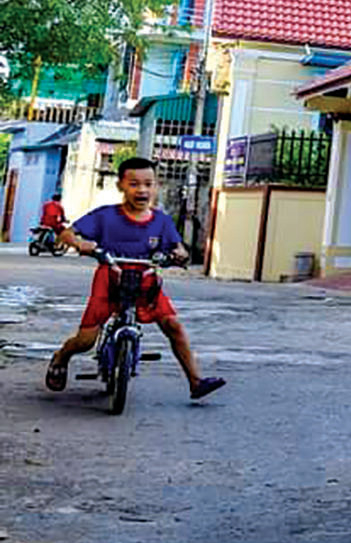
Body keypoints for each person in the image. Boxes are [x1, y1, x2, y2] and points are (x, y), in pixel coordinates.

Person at [45, 158, 226, 400]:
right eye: (134, 184)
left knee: (174, 326)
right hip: (110, 279)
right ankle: (61, 357)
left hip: (146, 280)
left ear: (156, 187)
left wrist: (178, 255)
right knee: (85, 340)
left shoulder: (161, 221)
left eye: (148, 184)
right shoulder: (105, 216)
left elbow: (179, 248)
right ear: (121, 185)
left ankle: (195, 382)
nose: (142, 190)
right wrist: (80, 243)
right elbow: (67, 234)